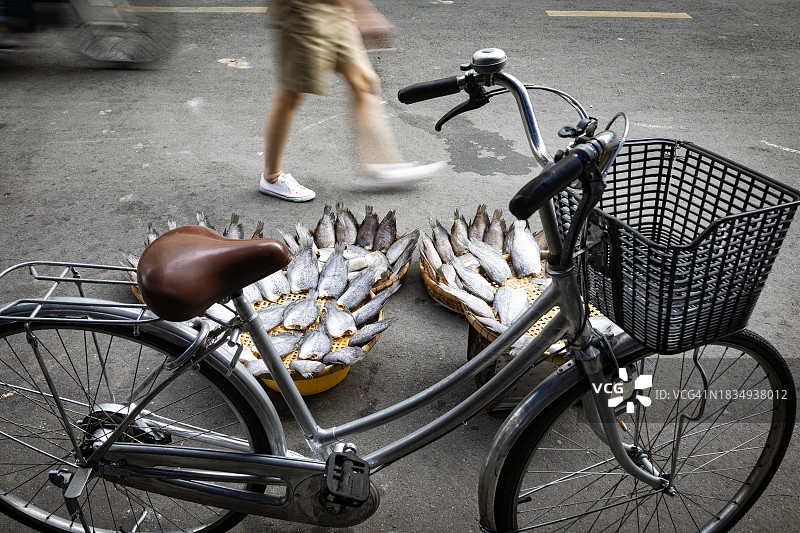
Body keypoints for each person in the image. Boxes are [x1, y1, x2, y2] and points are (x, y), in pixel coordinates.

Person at [259, 0, 444, 202]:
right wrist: (363, 11)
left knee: (364, 80)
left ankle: (384, 166)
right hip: (304, 8)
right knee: (293, 92)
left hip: (337, 8)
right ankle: (272, 176)